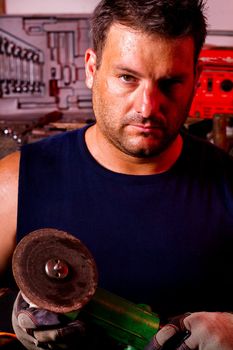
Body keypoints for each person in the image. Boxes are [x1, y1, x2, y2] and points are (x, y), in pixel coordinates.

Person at [1, 0, 233, 349]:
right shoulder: (12, 184)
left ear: (196, 78)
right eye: (127, 77)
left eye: (170, 83)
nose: (147, 107)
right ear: (91, 68)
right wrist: (7, 317)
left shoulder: (228, 184)